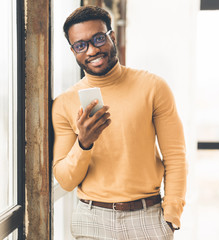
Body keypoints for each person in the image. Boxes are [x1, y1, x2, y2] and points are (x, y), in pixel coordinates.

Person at [52, 6, 187, 240]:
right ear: (73, 51)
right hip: (91, 219)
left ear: (111, 37)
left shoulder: (153, 87)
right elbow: (65, 180)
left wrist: (171, 215)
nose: (92, 50)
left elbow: (175, 155)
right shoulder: (64, 103)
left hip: (148, 218)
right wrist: (83, 143)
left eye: (98, 38)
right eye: (81, 45)